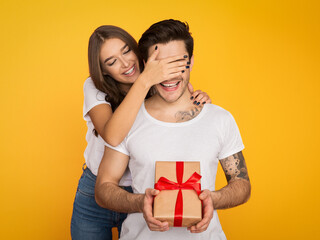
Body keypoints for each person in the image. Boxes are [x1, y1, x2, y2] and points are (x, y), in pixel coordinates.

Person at [95, 19, 251, 240]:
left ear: (192, 61)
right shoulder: (126, 121)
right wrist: (140, 202)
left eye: (178, 62)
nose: (169, 75)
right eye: (160, 65)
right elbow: (103, 188)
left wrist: (211, 199)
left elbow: (241, 183)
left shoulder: (220, 119)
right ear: (146, 66)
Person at [70, 25, 212, 240]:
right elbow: (113, 136)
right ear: (104, 71)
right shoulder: (94, 86)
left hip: (142, 192)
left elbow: (185, 105)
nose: (126, 63)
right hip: (95, 192)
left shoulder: (161, 83)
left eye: (126, 51)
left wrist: (199, 99)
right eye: (112, 61)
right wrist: (145, 80)